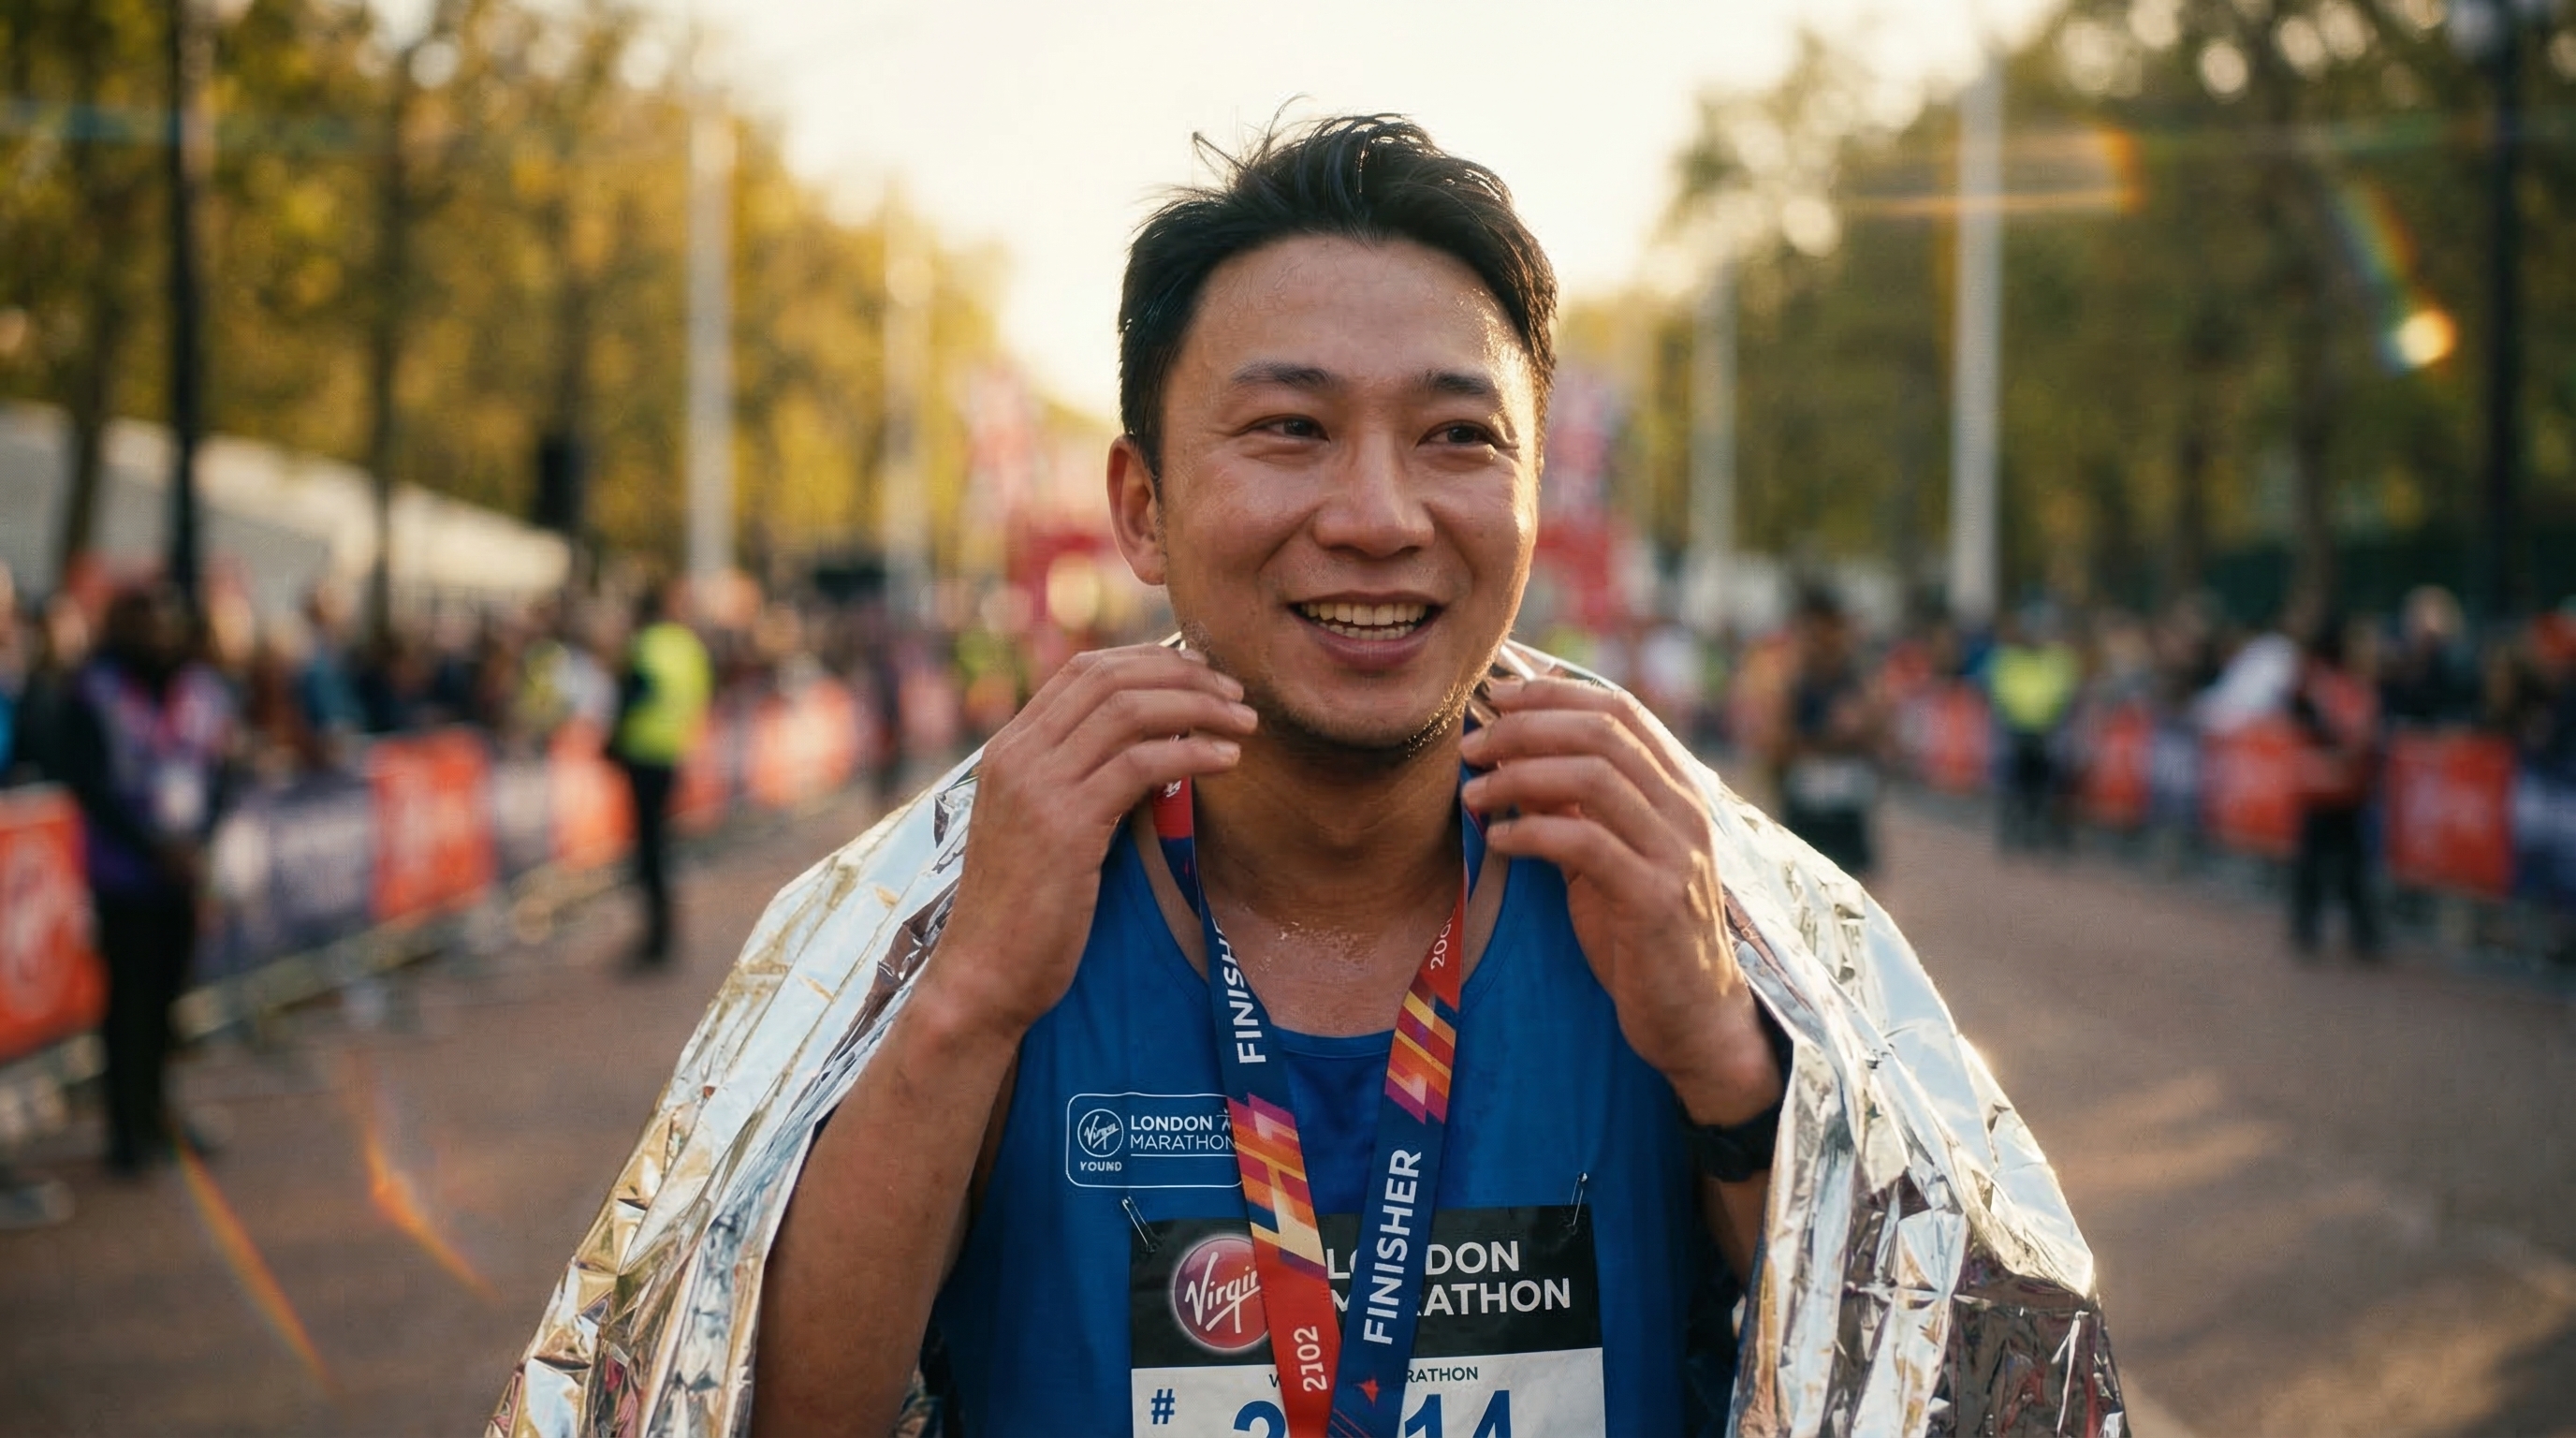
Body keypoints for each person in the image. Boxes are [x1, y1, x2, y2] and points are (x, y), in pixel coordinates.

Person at [498, 116, 2122, 1438]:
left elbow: (1920, 1399)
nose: (1377, 517)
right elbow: (770, 1416)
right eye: (1288, 430)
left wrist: (1719, 1058)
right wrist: (970, 1000)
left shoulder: (1673, 902)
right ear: (1141, 508)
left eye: (1457, 438)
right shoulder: (977, 910)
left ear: (1535, 498)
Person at [57, 584, 234, 1173]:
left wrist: (198, 841)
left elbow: (221, 771)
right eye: (145, 622)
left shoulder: (202, 690)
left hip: (182, 874)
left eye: (165, 621)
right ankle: (125, 1130)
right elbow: (87, 782)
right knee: (127, 1004)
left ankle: (157, 1113)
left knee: (167, 1000)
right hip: (124, 876)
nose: (157, 634)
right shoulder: (94, 690)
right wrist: (152, 848)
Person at [608, 582, 710, 968]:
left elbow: (635, 694)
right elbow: (701, 694)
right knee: (662, 845)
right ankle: (664, 931)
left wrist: (614, 739)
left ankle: (656, 936)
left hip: (642, 753)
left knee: (649, 849)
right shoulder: (689, 646)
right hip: (673, 752)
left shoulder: (646, 644)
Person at [1769, 587, 1881, 877]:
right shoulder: (1796, 681)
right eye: (1812, 634)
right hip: (1806, 798)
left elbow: (1877, 733)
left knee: (1851, 884)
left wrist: (1860, 727)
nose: (1820, 641)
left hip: (1844, 799)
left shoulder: (1856, 679)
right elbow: (1778, 742)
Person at [2289, 620, 2381, 961]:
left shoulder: (2353, 687)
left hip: (2347, 788)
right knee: (2319, 862)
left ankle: (2361, 933)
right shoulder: (2326, 684)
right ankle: (2312, 928)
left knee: (2349, 864)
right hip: (2325, 786)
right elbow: (2308, 717)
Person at [1988, 605, 2080, 853]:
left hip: (2046, 733)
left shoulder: (2057, 659)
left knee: (2043, 789)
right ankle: (2012, 835)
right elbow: (2001, 691)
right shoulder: (2010, 659)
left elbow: (2064, 692)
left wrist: (2050, 719)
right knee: (2014, 787)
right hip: (2016, 731)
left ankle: (2037, 834)